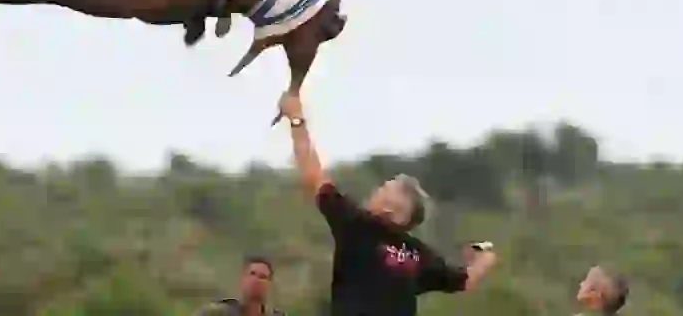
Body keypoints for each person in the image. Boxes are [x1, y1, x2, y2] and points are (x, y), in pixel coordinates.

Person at [277, 92, 498, 315]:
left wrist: (296, 118)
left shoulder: (358, 226)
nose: (375, 193)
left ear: (392, 209)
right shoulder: (420, 255)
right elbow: (465, 280)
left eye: (383, 189)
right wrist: (485, 256)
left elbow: (313, 174)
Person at [196, 255, 285, 315]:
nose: (256, 280)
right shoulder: (218, 312)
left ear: (269, 284)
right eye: (252, 274)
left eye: (262, 277)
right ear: (243, 279)